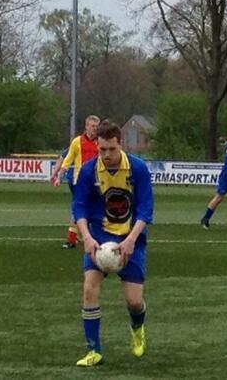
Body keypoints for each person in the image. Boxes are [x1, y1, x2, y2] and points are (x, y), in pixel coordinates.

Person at [72, 120, 154, 367]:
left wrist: (130, 240)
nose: (106, 155)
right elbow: (79, 207)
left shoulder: (137, 169)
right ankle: (93, 351)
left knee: (134, 301)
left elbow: (145, 208)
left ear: (121, 144)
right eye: (102, 149)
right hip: (98, 238)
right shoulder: (89, 170)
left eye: (111, 149)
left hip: (130, 239)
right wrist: (86, 237)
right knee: (89, 289)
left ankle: (137, 328)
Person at [50, 115, 100, 248]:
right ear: (86, 126)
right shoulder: (77, 141)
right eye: (93, 126)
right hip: (81, 182)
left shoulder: (100, 142)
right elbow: (67, 160)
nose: (95, 129)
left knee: (96, 208)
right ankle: (71, 239)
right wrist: (59, 176)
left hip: (98, 181)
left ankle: (92, 236)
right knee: (78, 208)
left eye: (97, 126)